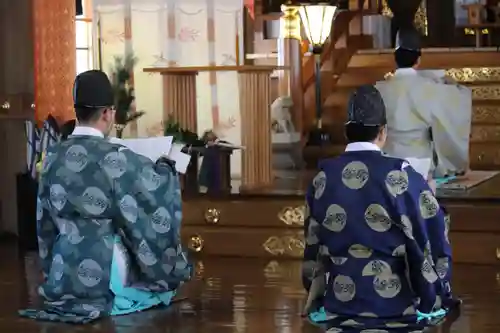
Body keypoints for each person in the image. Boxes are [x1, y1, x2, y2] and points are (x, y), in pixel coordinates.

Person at [19, 70, 192, 323]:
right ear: (107, 113)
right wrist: (166, 166)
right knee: (162, 293)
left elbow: (43, 221)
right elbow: (154, 192)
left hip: (62, 268)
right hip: (103, 270)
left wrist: (50, 267)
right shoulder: (115, 158)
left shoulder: (53, 155)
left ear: (77, 110)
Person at [302, 85, 459, 332]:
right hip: (395, 306)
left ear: (347, 132)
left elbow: (312, 245)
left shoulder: (322, 178)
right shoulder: (401, 175)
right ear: (383, 131)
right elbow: (431, 234)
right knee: (436, 216)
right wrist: (427, 195)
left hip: (340, 303)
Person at [375, 28, 472, 179]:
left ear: (395, 58)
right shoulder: (430, 88)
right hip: (420, 164)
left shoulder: (379, 89)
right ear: (418, 60)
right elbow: (459, 98)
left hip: (387, 163)